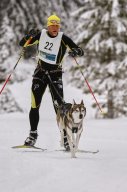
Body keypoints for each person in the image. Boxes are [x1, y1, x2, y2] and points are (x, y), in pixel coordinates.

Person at [19, 14, 84, 151]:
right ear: (48, 26)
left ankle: (66, 139)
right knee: (34, 104)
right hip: (40, 74)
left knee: (59, 107)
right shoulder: (40, 35)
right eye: (52, 25)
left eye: (57, 25)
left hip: (55, 75)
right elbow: (22, 44)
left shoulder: (63, 38)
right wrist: (28, 36)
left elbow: (79, 50)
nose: (54, 28)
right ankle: (32, 135)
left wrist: (76, 51)